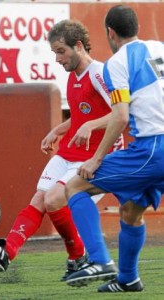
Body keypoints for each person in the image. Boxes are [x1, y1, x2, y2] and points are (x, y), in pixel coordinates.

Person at [0, 19, 123, 281]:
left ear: (78, 46)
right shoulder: (73, 76)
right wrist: (57, 130)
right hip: (71, 151)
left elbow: (122, 112)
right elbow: (80, 116)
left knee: (54, 198)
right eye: (54, 52)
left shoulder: (100, 73)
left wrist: (92, 124)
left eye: (60, 51)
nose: (57, 59)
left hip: (98, 156)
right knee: (40, 198)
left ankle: (77, 255)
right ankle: (7, 251)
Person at [64, 4, 164, 293]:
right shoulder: (159, 48)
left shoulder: (117, 63)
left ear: (110, 32)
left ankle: (99, 260)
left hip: (151, 149)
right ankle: (128, 278)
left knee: (76, 187)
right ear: (138, 28)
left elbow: (120, 115)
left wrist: (96, 159)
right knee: (131, 211)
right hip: (155, 150)